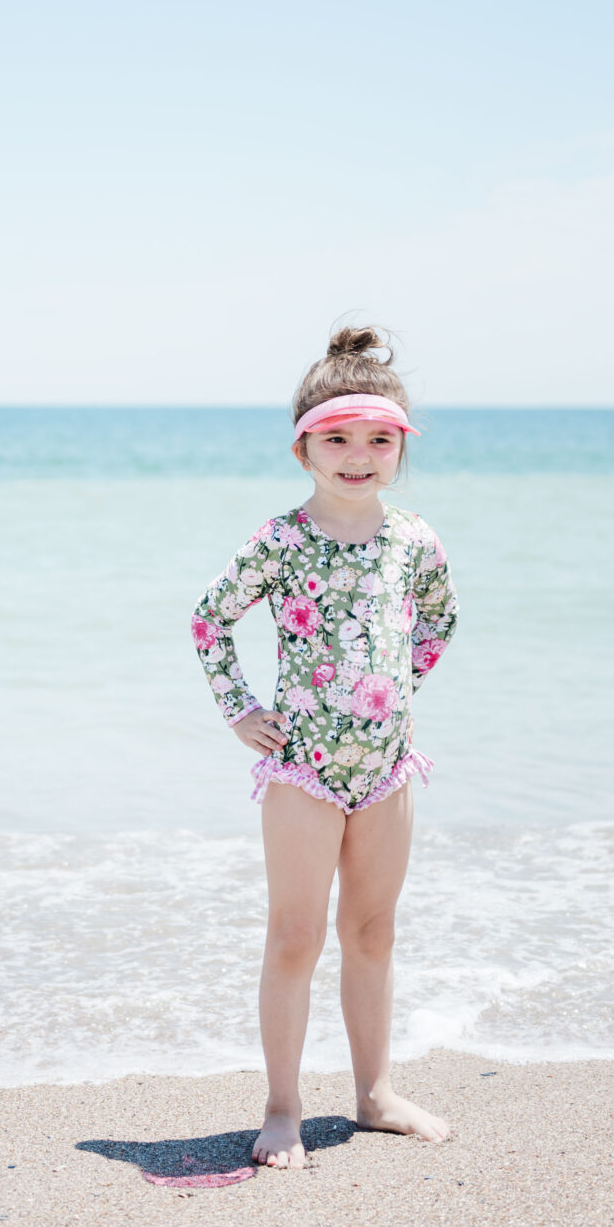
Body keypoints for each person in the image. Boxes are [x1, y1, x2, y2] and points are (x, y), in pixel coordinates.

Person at [191, 326, 458, 1168]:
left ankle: (375, 1095)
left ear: (400, 450)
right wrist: (242, 710)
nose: (358, 455)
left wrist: (391, 698)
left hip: (387, 769)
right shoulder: (281, 540)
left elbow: (439, 621)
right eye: (338, 438)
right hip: (302, 769)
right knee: (295, 936)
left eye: (379, 440)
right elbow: (210, 621)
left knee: (373, 931)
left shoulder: (414, 539)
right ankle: (280, 1107)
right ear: (303, 446)